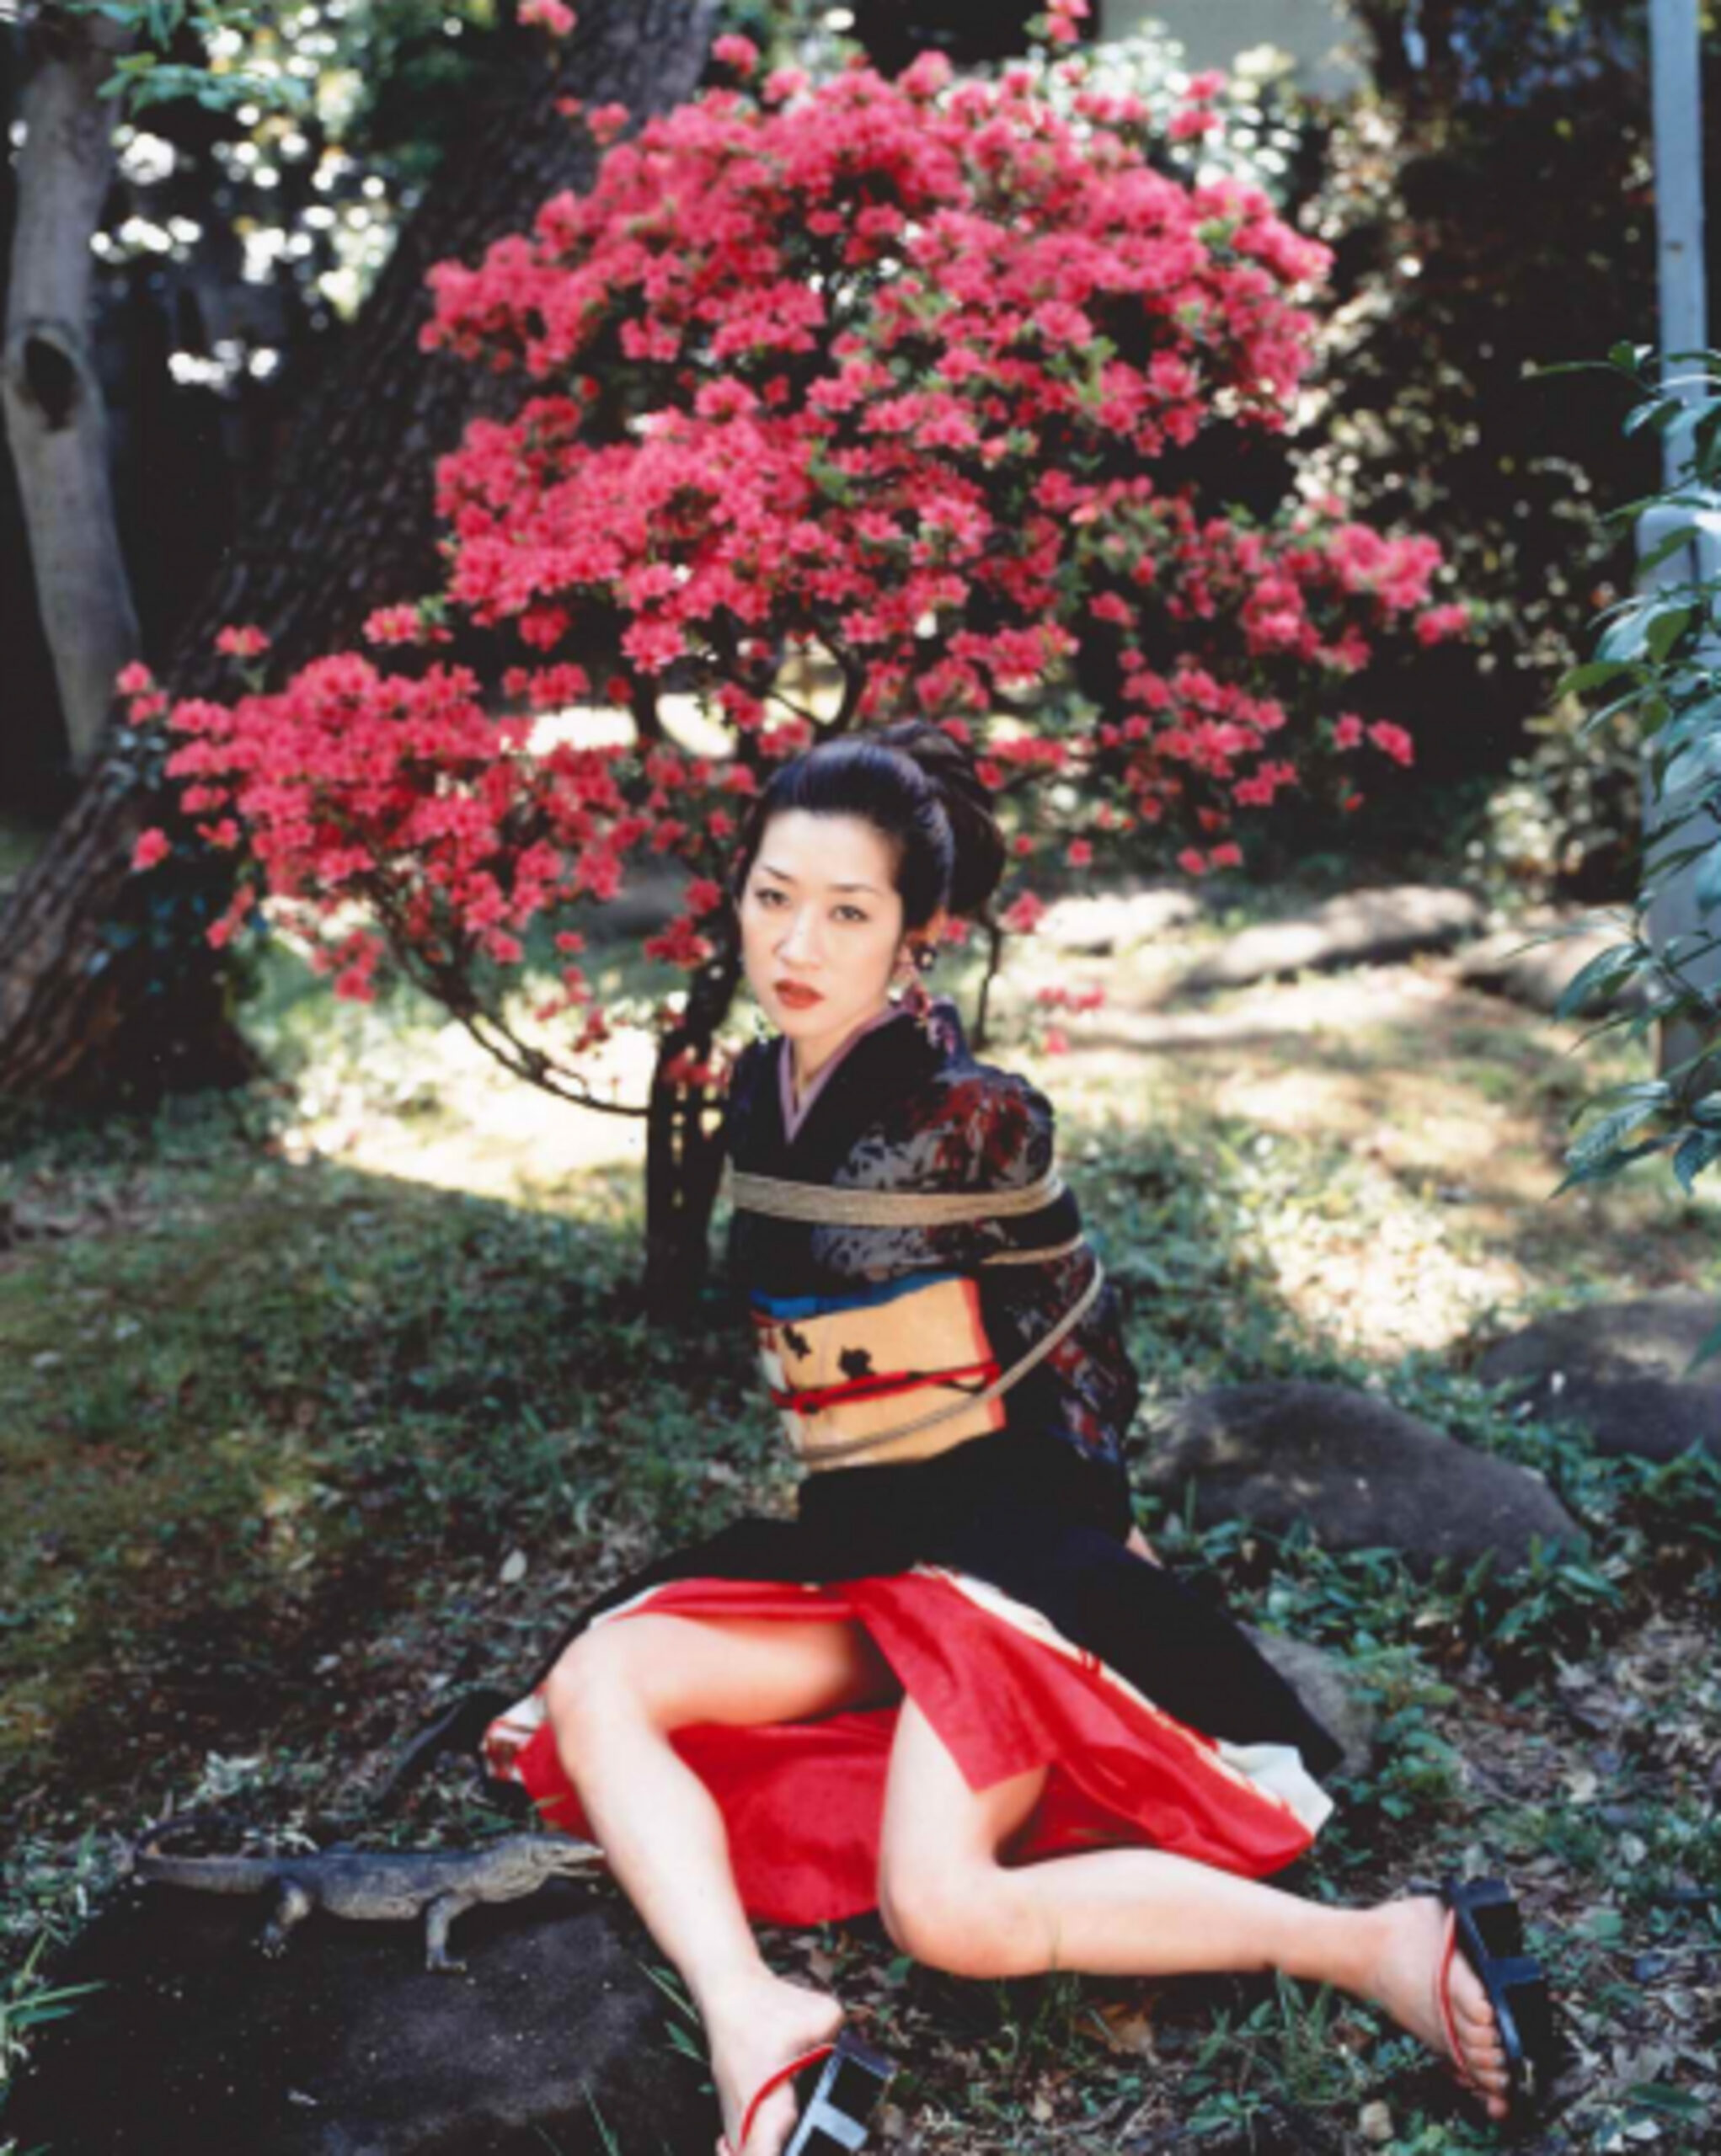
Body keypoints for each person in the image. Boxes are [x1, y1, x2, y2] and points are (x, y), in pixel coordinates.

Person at [475, 723, 1552, 2156]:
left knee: (949, 1910)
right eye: (771, 896)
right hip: (863, 1548)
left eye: (848, 912)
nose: (796, 942)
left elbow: (1083, 1342)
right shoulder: (756, 1087)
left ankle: (1378, 1947)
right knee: (601, 1678)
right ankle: (754, 2015)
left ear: (916, 937)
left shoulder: (975, 1115)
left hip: (1000, 1550)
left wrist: (1087, 1545)